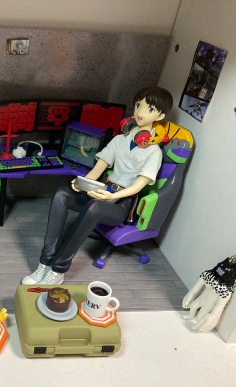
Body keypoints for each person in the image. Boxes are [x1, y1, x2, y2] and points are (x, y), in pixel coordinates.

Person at [21, 87, 173, 285]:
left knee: (94, 207)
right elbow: (99, 167)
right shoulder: (120, 140)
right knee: (61, 194)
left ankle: (58, 270)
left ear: (160, 116)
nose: (140, 112)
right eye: (138, 105)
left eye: (149, 109)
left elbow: (139, 186)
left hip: (122, 204)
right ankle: (45, 262)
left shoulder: (154, 152)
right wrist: (82, 183)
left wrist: (112, 197)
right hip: (102, 190)